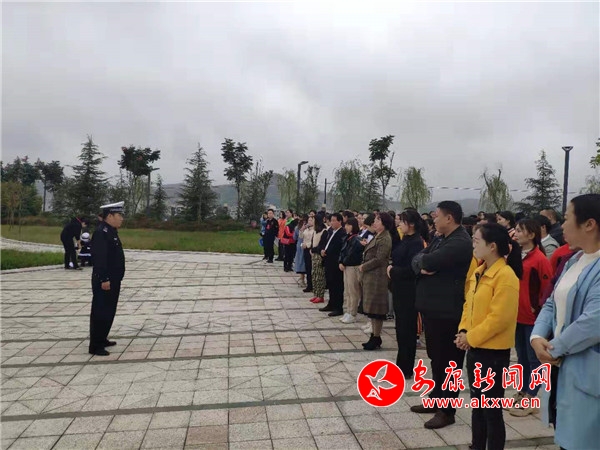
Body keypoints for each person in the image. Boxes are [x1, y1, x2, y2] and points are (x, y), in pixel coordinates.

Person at [531, 194, 600, 450]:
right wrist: (537, 337)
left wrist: (554, 348)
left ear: (589, 224)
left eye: (568, 218)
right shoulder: (574, 260)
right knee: (566, 433)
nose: (562, 226)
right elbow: (551, 303)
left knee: (584, 439)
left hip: (586, 369)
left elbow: (593, 321)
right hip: (562, 365)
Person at [455, 223, 522, 450]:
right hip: (476, 349)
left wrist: (470, 338)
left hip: (493, 354)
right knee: (478, 406)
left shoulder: (505, 276)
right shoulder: (479, 271)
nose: (473, 245)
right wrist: (464, 331)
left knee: (491, 411)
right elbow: (469, 305)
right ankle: (477, 445)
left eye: (476, 241)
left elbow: (499, 318)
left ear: (492, 246)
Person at [411, 201, 473, 429]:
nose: (433, 220)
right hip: (434, 309)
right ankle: (437, 399)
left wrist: (423, 263)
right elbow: (418, 258)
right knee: (436, 358)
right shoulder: (440, 238)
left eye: (437, 216)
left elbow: (429, 260)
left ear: (449, 218)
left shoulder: (459, 242)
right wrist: (421, 264)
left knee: (450, 363)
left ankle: (447, 411)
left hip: (449, 312)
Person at [509, 219, 553, 417]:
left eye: (520, 230)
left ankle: (532, 397)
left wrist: (539, 311)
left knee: (534, 360)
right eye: (516, 230)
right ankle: (523, 391)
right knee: (522, 358)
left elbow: (547, 290)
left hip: (533, 318)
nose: (516, 233)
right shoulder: (516, 255)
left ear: (532, 235)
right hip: (517, 315)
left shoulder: (540, 260)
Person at [387, 209, 427, 377]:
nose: (400, 225)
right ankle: (401, 364)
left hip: (408, 291)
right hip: (399, 289)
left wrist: (393, 270)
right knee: (401, 330)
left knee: (407, 330)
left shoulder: (416, 242)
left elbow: (412, 269)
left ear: (411, 224)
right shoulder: (405, 239)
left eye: (402, 222)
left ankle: (405, 367)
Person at [89, 202, 125, 356]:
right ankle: (95, 345)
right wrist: (104, 278)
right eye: (119, 215)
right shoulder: (101, 232)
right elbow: (99, 258)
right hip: (105, 280)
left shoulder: (110, 231)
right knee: (100, 311)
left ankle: (102, 338)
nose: (121, 218)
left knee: (109, 311)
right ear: (110, 216)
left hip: (113, 279)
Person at [360, 212, 394, 350]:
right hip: (371, 277)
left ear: (384, 223)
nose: (374, 222)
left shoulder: (385, 238)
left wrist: (364, 266)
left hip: (378, 278)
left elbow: (379, 259)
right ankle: (374, 336)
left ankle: (376, 336)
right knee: (372, 310)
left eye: (378, 220)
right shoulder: (377, 236)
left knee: (377, 310)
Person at [319, 213, 346, 317]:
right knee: (330, 284)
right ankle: (331, 303)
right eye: (331, 221)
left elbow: (340, 248)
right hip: (328, 261)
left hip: (336, 263)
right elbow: (327, 244)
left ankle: (338, 307)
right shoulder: (331, 232)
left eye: (334, 220)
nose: (332, 223)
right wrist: (323, 250)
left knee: (337, 286)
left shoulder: (342, 233)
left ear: (340, 221)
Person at [338, 217, 363, 324]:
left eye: (349, 225)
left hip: (353, 267)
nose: (346, 227)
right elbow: (343, 251)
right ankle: (348, 311)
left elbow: (351, 254)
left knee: (353, 291)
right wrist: (340, 261)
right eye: (346, 225)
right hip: (346, 267)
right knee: (347, 290)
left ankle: (353, 313)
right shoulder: (347, 237)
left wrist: (344, 262)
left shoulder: (357, 239)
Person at [310, 214, 327, 304]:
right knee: (314, 275)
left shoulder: (324, 231)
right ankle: (316, 294)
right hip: (314, 255)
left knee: (319, 276)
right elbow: (312, 242)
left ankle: (320, 295)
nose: (312, 222)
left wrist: (313, 249)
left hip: (319, 256)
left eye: (313, 220)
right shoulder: (315, 231)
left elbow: (321, 245)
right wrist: (311, 249)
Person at [301, 216, 315, 293]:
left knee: (311, 267)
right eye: (309, 220)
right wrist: (302, 229)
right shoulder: (306, 229)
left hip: (311, 249)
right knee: (307, 267)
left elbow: (314, 241)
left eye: (311, 220)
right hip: (305, 249)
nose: (309, 222)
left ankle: (312, 285)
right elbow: (301, 237)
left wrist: (307, 245)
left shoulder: (315, 230)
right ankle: (309, 284)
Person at [294, 217, 307, 286]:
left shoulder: (297, 228)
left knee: (301, 261)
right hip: (304, 246)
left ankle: (302, 278)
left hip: (300, 245)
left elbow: (294, 238)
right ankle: (302, 278)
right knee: (302, 262)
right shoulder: (306, 228)